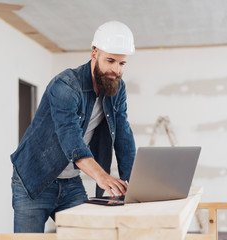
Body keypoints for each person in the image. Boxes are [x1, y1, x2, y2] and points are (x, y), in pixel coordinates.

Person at [10, 21, 136, 233]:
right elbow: (70, 138)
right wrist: (102, 176)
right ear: (94, 54)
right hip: (33, 179)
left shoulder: (117, 88)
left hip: (70, 182)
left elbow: (123, 135)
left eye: (122, 63)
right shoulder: (66, 85)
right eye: (110, 60)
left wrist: (133, 184)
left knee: (87, 235)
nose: (116, 70)